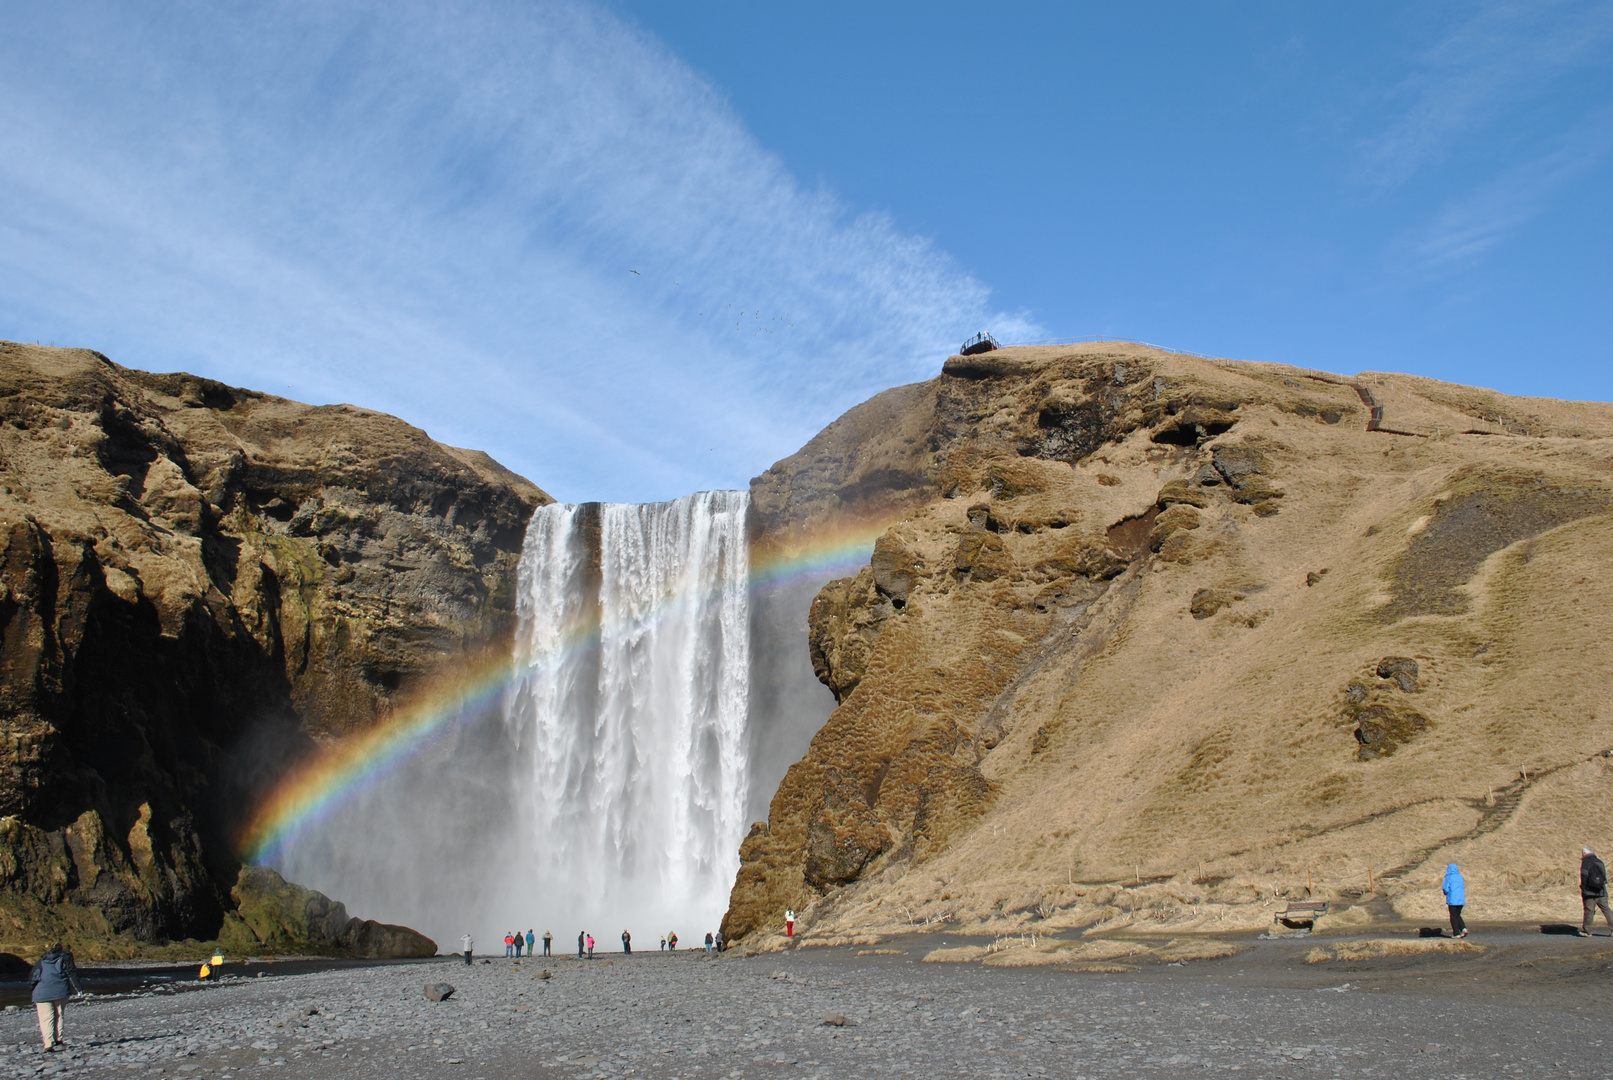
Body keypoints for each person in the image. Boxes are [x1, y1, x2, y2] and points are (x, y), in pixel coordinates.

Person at [30, 942, 83, 1052]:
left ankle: (48, 1044)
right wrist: (79, 989)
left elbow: (33, 976)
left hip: (42, 992)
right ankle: (58, 1039)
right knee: (59, 1014)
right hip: (61, 990)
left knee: (46, 1018)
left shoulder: (42, 960)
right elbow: (72, 973)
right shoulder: (66, 957)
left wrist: (32, 990)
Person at [1581, 847, 1612, 936]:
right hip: (1601, 891)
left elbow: (1584, 875)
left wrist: (1583, 888)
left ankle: (1587, 931)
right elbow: (1604, 877)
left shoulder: (1586, 861)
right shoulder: (1600, 862)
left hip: (1589, 891)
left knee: (1589, 910)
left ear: (1584, 853)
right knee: (1606, 909)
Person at [1442, 863, 1467, 938]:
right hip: (1461, 900)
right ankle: (1463, 928)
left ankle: (1456, 933)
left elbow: (1446, 889)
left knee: (1453, 916)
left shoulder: (1448, 878)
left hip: (1452, 900)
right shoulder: (1460, 877)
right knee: (1457, 915)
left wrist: (1445, 893)